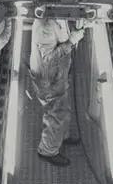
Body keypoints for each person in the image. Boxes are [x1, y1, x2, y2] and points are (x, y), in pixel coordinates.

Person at [28, 19, 85, 167]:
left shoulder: (56, 14)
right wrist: (71, 41)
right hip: (49, 80)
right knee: (56, 113)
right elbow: (48, 59)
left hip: (57, 76)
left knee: (62, 108)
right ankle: (47, 151)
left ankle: (60, 136)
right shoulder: (46, 26)